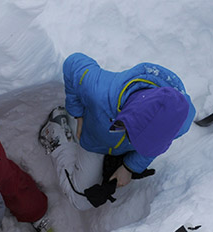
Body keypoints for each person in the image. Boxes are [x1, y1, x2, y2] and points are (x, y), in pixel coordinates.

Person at [38, 52, 196, 209]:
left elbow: (154, 147)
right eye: (133, 136)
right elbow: (72, 63)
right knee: (81, 200)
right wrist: (77, 113)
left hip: (114, 143)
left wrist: (129, 167)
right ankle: (57, 130)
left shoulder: (180, 120)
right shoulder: (101, 91)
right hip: (94, 140)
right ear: (128, 116)